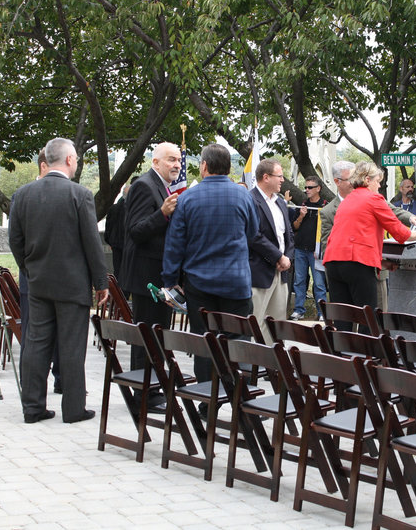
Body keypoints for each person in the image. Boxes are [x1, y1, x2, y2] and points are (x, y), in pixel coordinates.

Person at [9, 137, 109, 424]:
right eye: (76, 158)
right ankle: (74, 408)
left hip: (38, 282)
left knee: (36, 343)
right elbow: (92, 243)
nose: (77, 162)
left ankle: (32, 407)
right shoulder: (80, 194)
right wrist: (100, 281)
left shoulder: (23, 194)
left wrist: (28, 268)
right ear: (68, 160)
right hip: (73, 284)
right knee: (72, 345)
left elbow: (16, 240)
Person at [163, 143, 258, 383]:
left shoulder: (187, 198)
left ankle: (208, 400)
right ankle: (237, 399)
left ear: (204, 166)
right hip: (236, 282)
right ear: (228, 167)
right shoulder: (244, 195)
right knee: (237, 343)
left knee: (204, 342)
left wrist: (170, 280)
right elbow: (253, 232)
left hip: (200, 283)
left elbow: (175, 244)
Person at [323, 162, 416, 326]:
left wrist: (381, 262)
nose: (379, 186)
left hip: (333, 263)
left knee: (344, 318)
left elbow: (353, 237)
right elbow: (402, 234)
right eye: (378, 181)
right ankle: (366, 351)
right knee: (368, 318)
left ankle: (343, 351)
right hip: (357, 263)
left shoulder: (348, 200)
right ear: (368, 180)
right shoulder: (373, 198)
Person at [121, 142, 181, 411]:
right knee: (147, 336)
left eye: (178, 160)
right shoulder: (145, 186)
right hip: (147, 277)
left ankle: (152, 388)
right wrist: (163, 213)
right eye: (170, 160)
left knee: (157, 335)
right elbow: (135, 230)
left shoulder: (163, 186)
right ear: (155, 162)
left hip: (160, 275)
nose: (176, 165)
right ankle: (144, 393)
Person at [18, 149, 62, 395]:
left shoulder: (67, 193)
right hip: (33, 278)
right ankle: (32, 386)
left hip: (62, 278)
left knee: (62, 334)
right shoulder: (24, 196)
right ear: (44, 166)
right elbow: (17, 240)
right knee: (33, 335)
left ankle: (61, 378)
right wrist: (27, 268)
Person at [248, 159, 295, 344]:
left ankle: (275, 367)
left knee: (277, 324)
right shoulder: (250, 200)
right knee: (256, 322)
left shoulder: (281, 202)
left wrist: (288, 258)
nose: (283, 180)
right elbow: (253, 235)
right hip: (259, 270)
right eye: (279, 176)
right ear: (265, 177)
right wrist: (277, 256)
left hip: (281, 271)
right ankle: (254, 366)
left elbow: (289, 234)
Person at [289, 175, 329, 321]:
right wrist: (301, 215)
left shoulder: (326, 206)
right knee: (299, 281)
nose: (306, 190)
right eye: (305, 187)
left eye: (310, 187)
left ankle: (321, 312)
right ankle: (299, 310)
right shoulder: (302, 204)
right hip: (300, 249)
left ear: (318, 188)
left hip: (316, 251)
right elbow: (294, 227)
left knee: (319, 283)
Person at [104, 176, 136, 285]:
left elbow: (108, 228)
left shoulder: (113, 208)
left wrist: (110, 241)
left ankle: (119, 295)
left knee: (118, 271)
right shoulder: (132, 209)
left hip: (116, 245)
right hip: (127, 245)